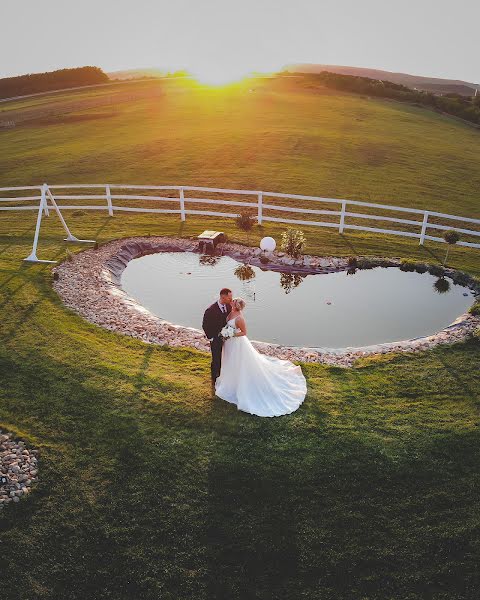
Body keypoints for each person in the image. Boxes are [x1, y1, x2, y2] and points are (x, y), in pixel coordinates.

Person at [214, 297, 307, 417]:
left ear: (236, 305)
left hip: (237, 343)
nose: (231, 301)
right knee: (230, 362)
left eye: (234, 301)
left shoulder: (239, 318)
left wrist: (231, 333)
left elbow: (244, 332)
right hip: (229, 343)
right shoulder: (231, 311)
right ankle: (230, 381)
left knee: (239, 363)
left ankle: (240, 384)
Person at [202, 288, 233, 389]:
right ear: (223, 297)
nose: (231, 299)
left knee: (226, 358)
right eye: (229, 297)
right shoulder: (210, 310)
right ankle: (214, 380)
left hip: (227, 337)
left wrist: (229, 333)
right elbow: (205, 325)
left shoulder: (229, 306)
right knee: (216, 359)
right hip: (215, 339)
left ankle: (224, 377)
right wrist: (211, 338)